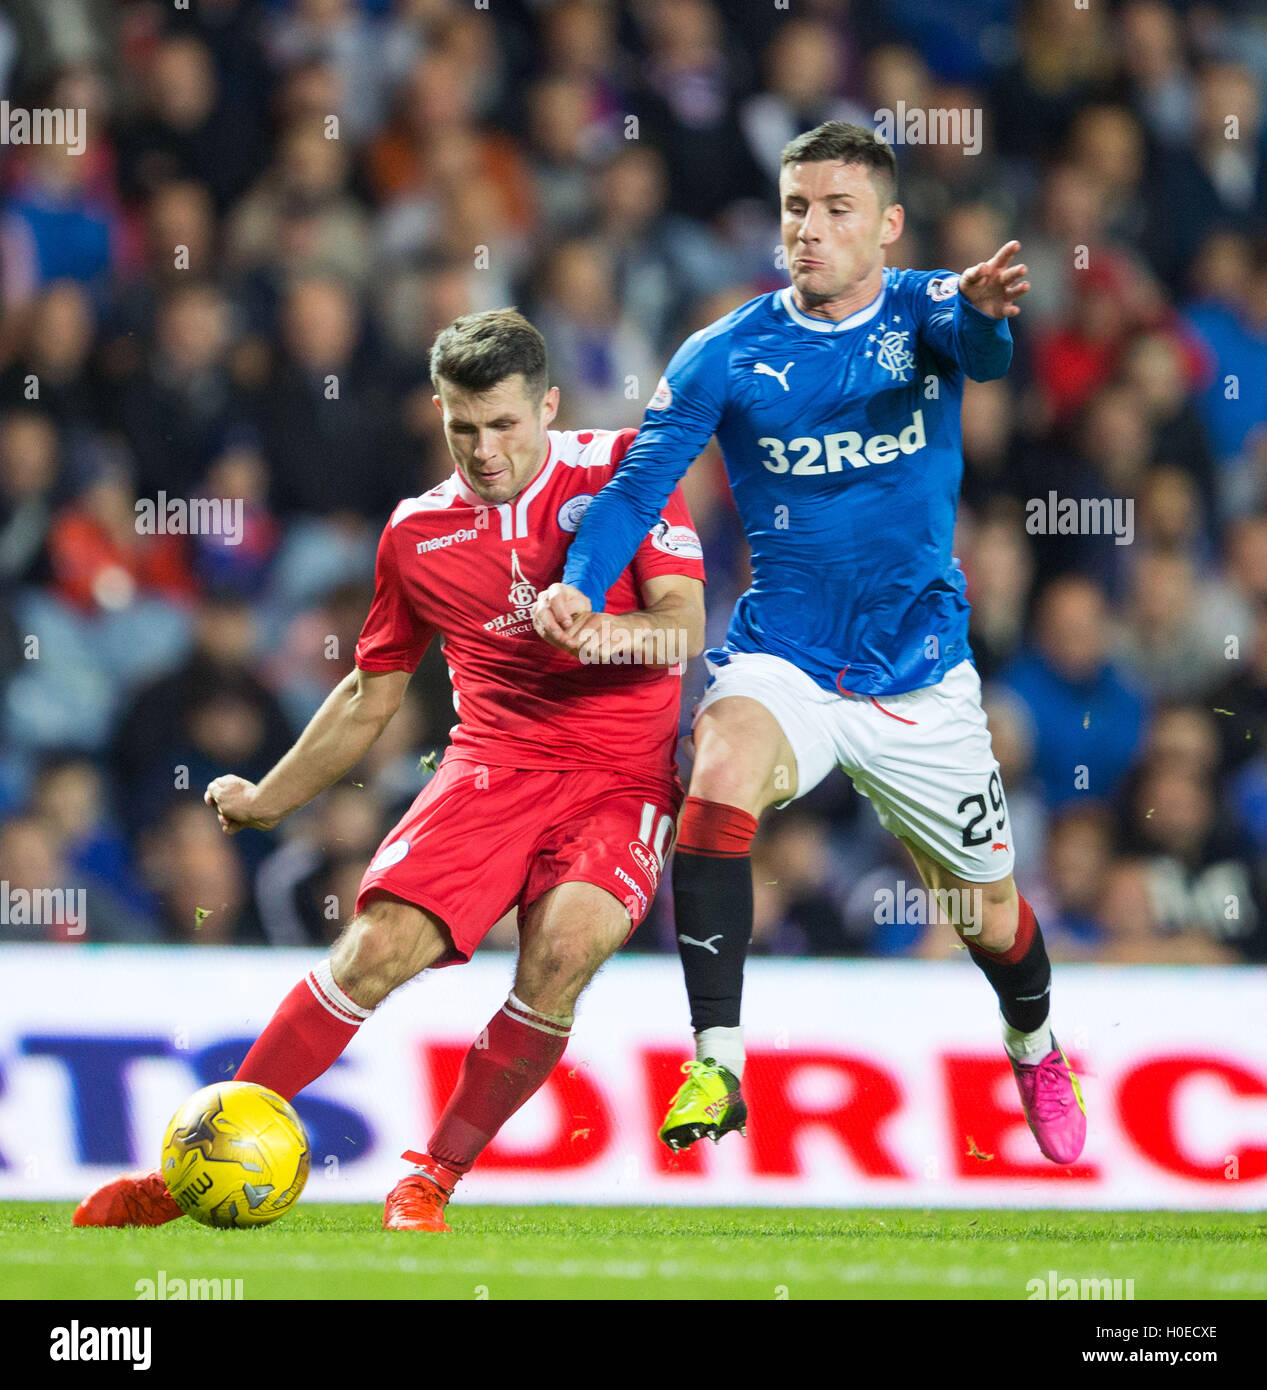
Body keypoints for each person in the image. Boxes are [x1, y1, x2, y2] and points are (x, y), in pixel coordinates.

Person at [73, 309, 706, 1231]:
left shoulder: (623, 473)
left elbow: (682, 623)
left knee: (562, 954)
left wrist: (602, 631)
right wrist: (267, 797)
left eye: (504, 425)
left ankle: (430, 1178)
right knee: (370, 952)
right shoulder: (417, 535)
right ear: (438, 413)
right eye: (462, 426)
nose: (484, 450)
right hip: (491, 767)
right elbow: (370, 694)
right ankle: (188, 1175)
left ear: (549, 406)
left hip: (620, 777)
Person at [535, 122, 1086, 1165]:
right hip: (785, 658)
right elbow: (637, 487)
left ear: (887, 227)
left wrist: (984, 316)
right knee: (718, 770)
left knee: (989, 917)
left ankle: (1037, 1042)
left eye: (837, 210)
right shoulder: (726, 351)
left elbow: (983, 350)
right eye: (795, 207)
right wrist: (575, 585)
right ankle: (717, 1055)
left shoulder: (928, 308)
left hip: (921, 677)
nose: (810, 229)